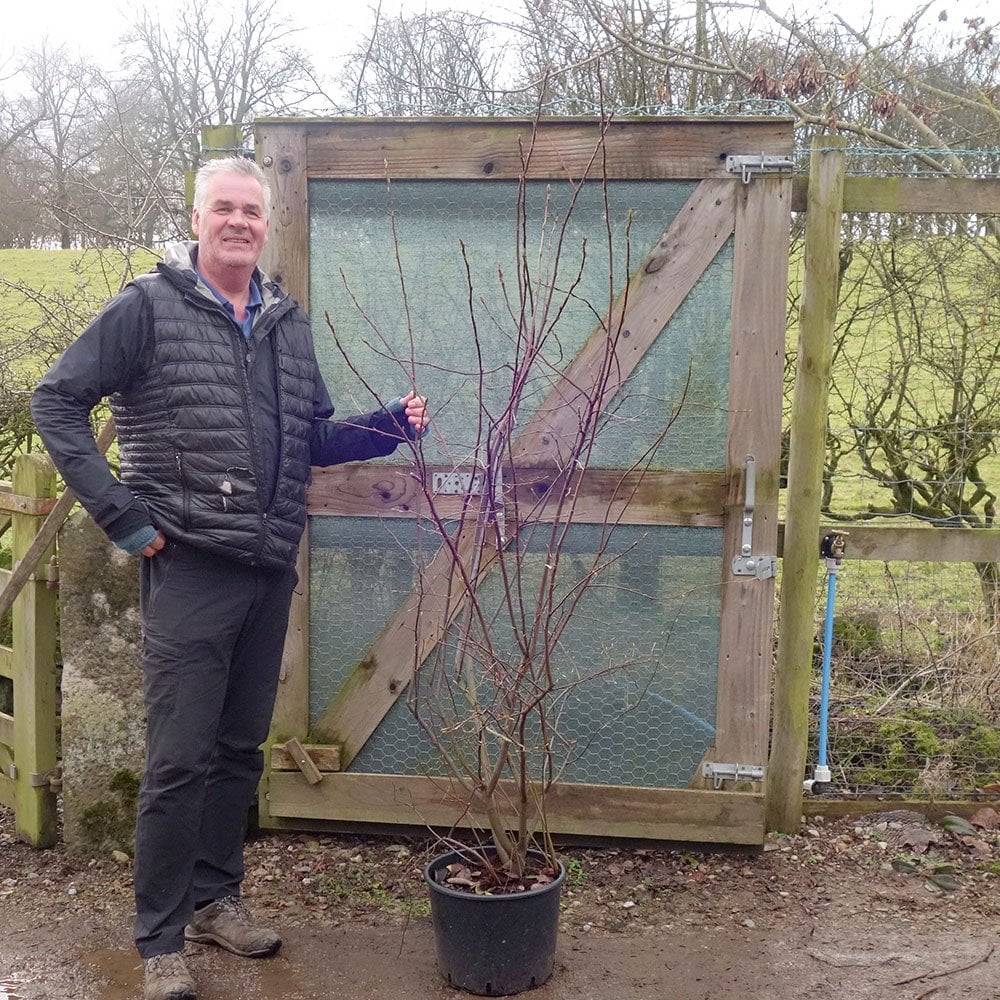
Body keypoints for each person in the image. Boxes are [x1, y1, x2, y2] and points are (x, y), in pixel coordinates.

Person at [30, 156, 428, 1000]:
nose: (240, 222)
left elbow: (311, 437)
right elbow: (56, 401)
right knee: (178, 760)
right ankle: (160, 940)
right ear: (199, 217)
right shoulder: (148, 308)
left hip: (266, 566)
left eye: (252, 209)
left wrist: (386, 427)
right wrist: (124, 517)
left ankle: (216, 900)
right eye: (225, 209)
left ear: (266, 222)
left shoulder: (286, 322)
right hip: (187, 565)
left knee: (238, 750)